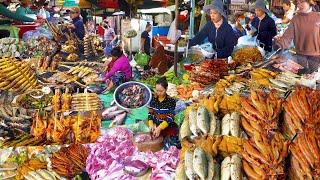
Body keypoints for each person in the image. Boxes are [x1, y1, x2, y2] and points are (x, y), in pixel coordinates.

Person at [275, 0, 320, 74]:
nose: (299, 5)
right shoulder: (295, 18)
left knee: (313, 76)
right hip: (300, 54)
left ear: (309, 2)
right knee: (302, 76)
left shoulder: (318, 16)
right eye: (298, 3)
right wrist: (279, 45)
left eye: (302, 2)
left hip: (316, 55)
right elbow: (287, 36)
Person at [148, 77, 178, 146]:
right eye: (157, 90)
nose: (159, 93)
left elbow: (171, 117)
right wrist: (151, 124)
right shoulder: (153, 99)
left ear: (166, 89)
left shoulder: (171, 101)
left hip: (167, 127)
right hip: (156, 126)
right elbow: (150, 112)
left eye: (161, 91)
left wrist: (160, 128)